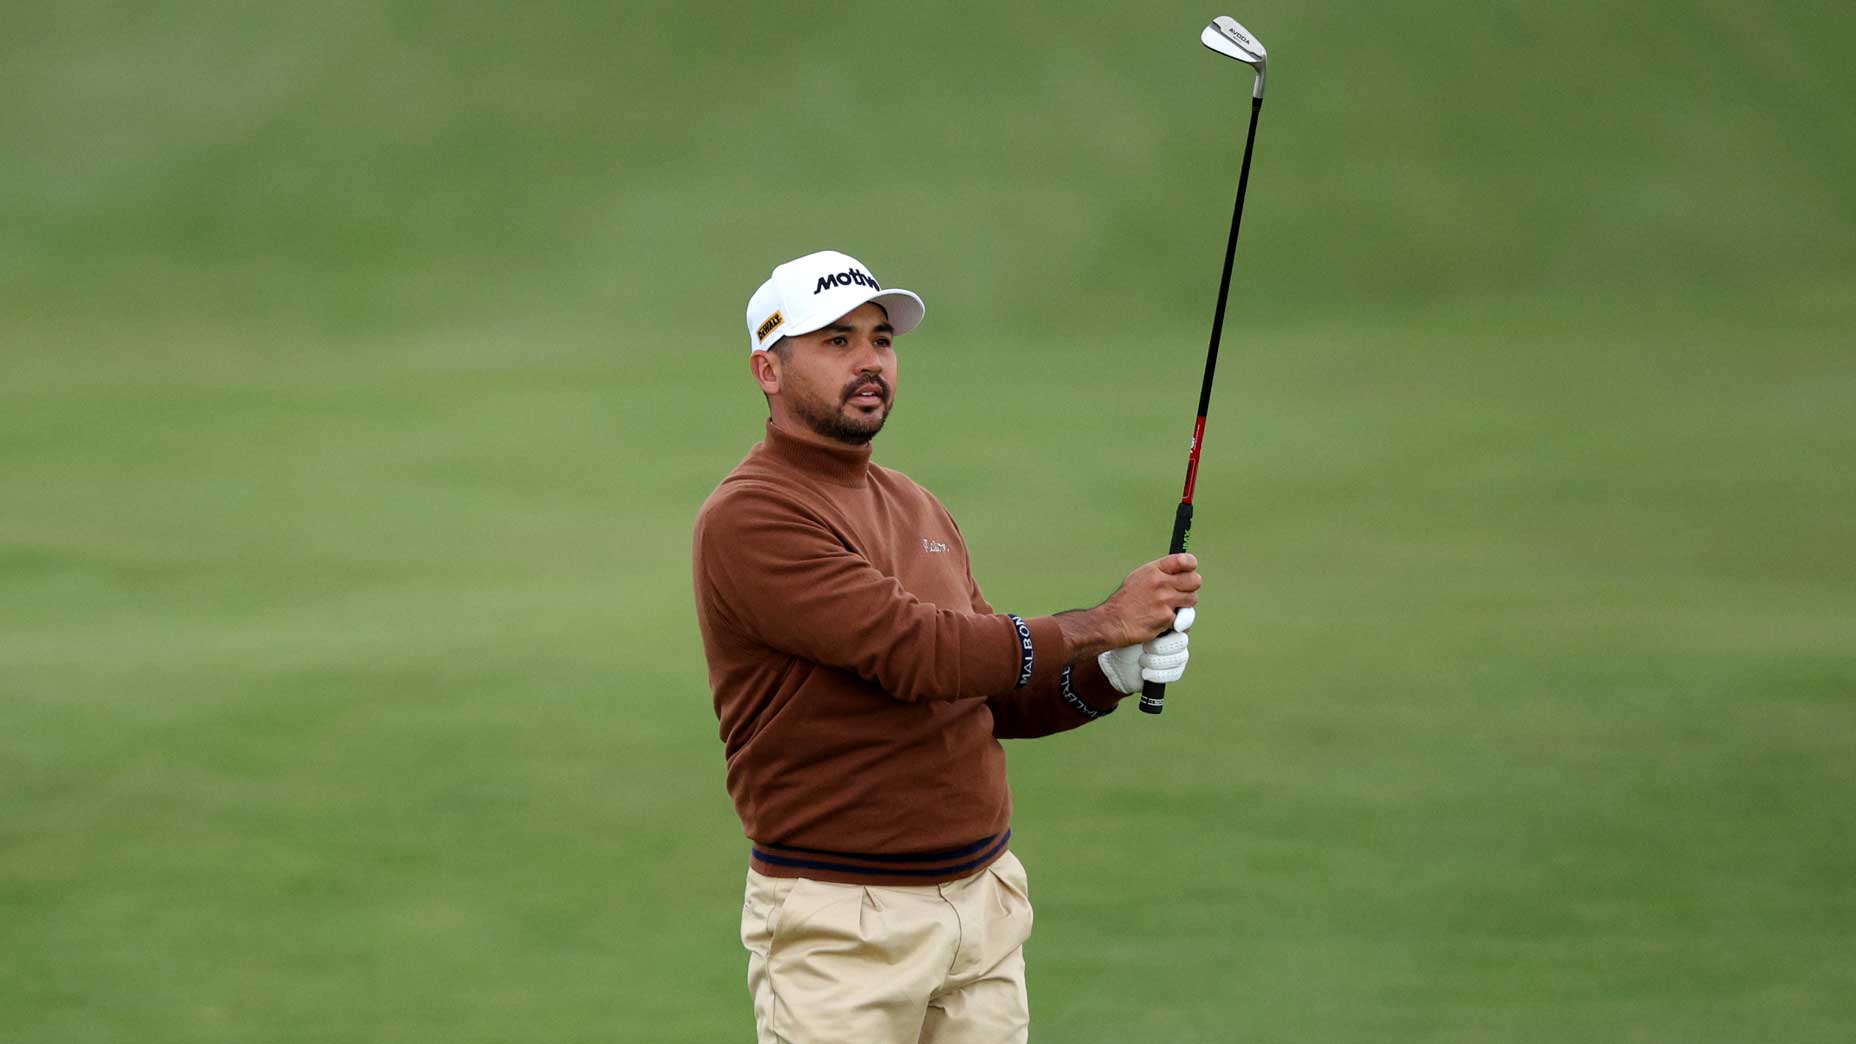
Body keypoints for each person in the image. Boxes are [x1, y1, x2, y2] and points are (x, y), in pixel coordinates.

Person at [691, 249, 1204, 1043]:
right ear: (768, 369)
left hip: (982, 908)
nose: (870, 361)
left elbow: (990, 689)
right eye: (837, 341)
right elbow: (920, 654)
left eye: (881, 340)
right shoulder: (752, 516)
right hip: (843, 924)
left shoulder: (916, 505)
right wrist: (1102, 622)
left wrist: (1109, 672)